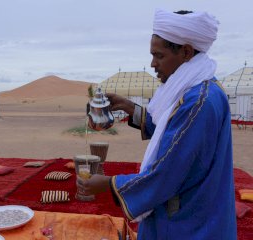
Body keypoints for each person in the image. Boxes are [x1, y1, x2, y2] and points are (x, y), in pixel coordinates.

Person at [78, 9, 237, 239]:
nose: (153, 64)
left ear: (186, 52)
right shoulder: (196, 87)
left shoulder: (198, 102)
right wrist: (127, 106)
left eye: (159, 56)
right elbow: (169, 129)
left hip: (189, 224)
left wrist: (108, 184)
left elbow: (165, 173)